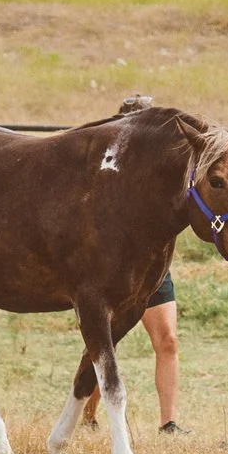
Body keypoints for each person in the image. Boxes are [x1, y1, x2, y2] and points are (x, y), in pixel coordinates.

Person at [82, 94, 186, 435]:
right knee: (104, 343)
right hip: (112, 268)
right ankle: (88, 413)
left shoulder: (165, 173)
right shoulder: (104, 171)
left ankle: (168, 423)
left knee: (168, 339)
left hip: (153, 267)